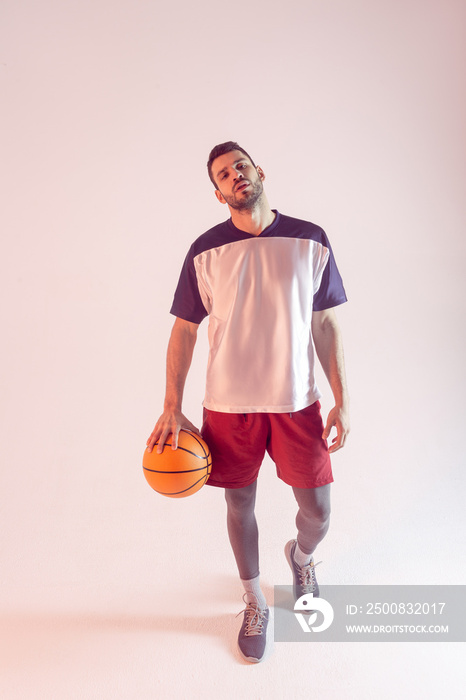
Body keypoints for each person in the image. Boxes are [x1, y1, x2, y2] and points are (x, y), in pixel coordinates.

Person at [146, 141, 350, 663]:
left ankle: (301, 559)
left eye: (240, 164)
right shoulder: (205, 251)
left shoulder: (310, 239)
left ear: (258, 172)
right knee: (240, 504)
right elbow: (183, 331)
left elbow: (326, 324)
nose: (235, 175)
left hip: (297, 402)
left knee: (319, 511)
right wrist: (172, 403)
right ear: (217, 194)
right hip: (229, 406)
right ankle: (254, 599)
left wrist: (342, 400)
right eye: (223, 174)